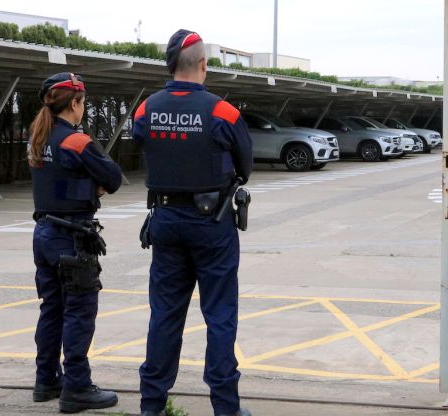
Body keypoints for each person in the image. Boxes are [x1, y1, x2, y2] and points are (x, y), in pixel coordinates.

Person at [132, 29, 253, 416]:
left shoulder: (146, 108)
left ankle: (151, 405)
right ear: (203, 65)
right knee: (219, 315)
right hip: (212, 224)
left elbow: (142, 142)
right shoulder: (222, 111)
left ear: (170, 65)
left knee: (165, 313)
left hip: (165, 219)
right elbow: (246, 167)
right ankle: (225, 408)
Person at [28, 72, 122, 413]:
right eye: (84, 102)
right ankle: (77, 387)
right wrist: (92, 185)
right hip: (72, 236)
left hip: (43, 233)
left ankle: (46, 380)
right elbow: (113, 178)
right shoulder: (76, 142)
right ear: (76, 103)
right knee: (80, 311)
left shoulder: (38, 137)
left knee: (51, 308)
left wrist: (84, 183)